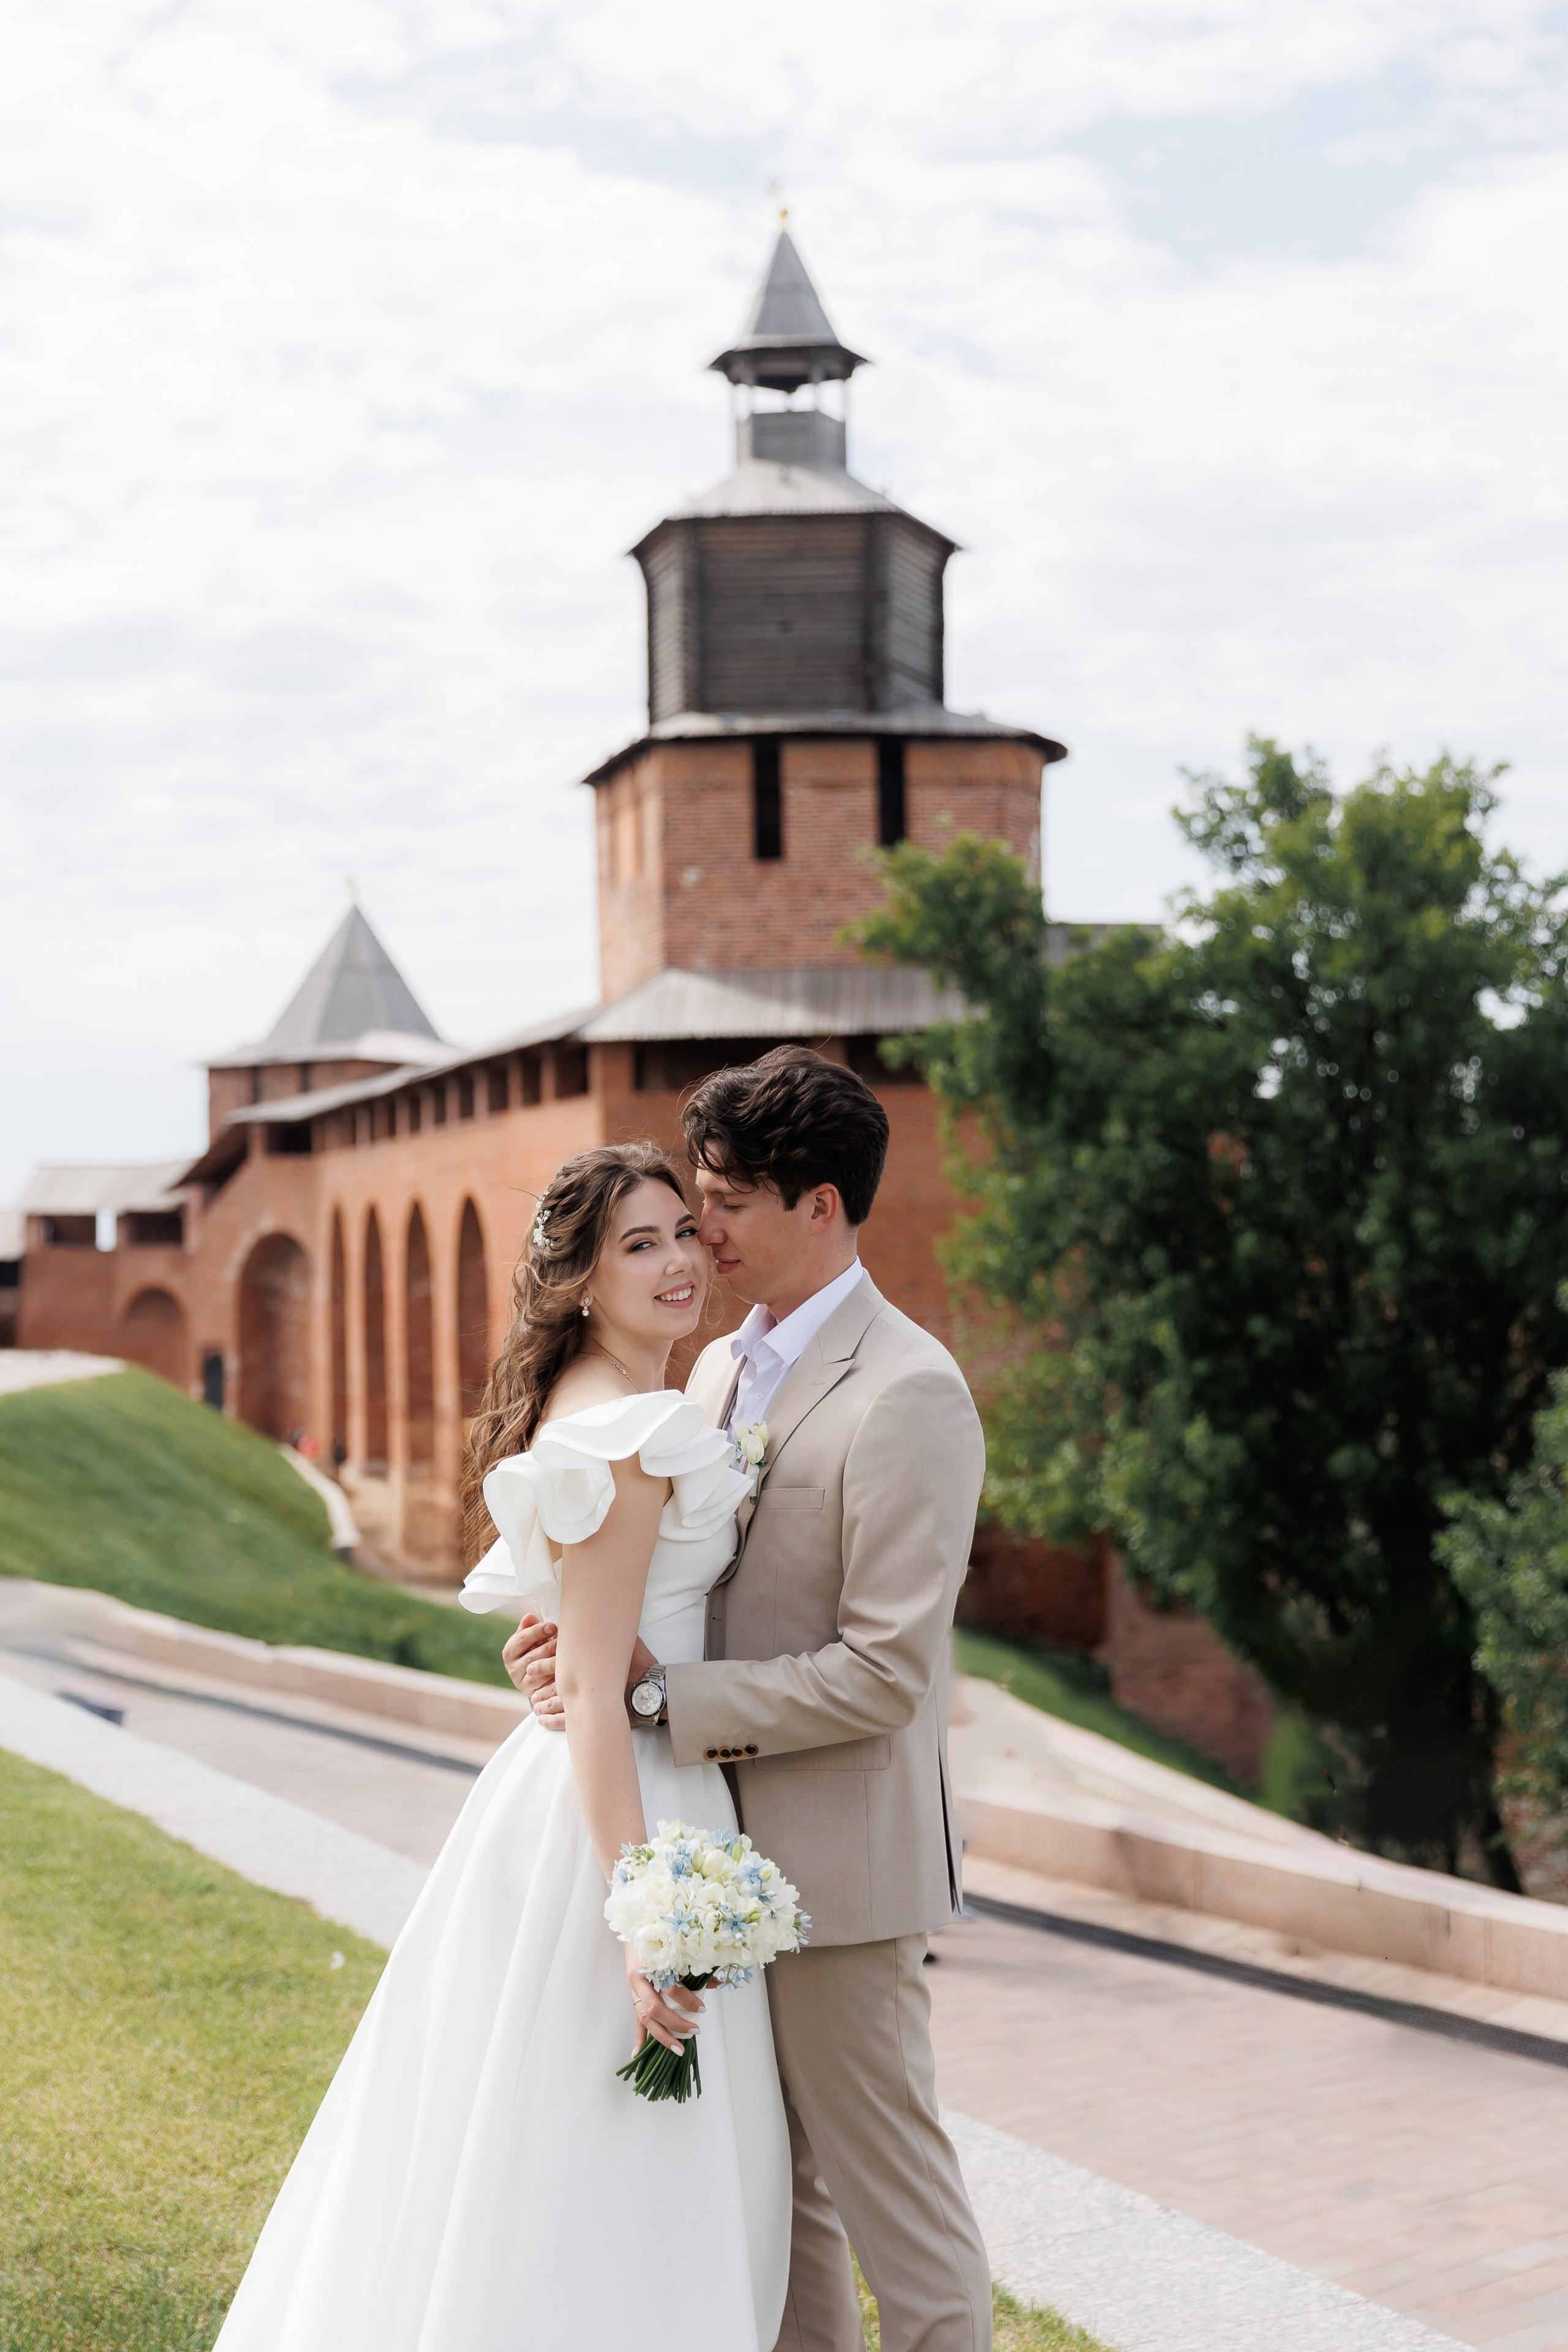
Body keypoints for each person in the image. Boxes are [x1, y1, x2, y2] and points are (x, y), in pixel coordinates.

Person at [212, 1142, 791, 2352]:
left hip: (590, 1787)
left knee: (524, 2123)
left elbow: (574, 1642)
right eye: (640, 1244)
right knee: (611, 2141)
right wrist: (642, 1909)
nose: (681, 1260)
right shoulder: (625, 1430)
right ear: (581, 1276)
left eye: (684, 1230)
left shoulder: (597, 1402)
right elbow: (585, 1676)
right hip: (627, 1803)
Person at [508, 1047, 993, 2352]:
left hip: (838, 1872)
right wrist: (572, 1651)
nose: (700, 1228)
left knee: (897, 2205)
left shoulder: (910, 1392)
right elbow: (664, 1582)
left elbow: (888, 1672)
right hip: (714, 1845)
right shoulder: (714, 1369)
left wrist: (661, 1699)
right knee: (780, 2208)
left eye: (721, 1199)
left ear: (817, 1204)